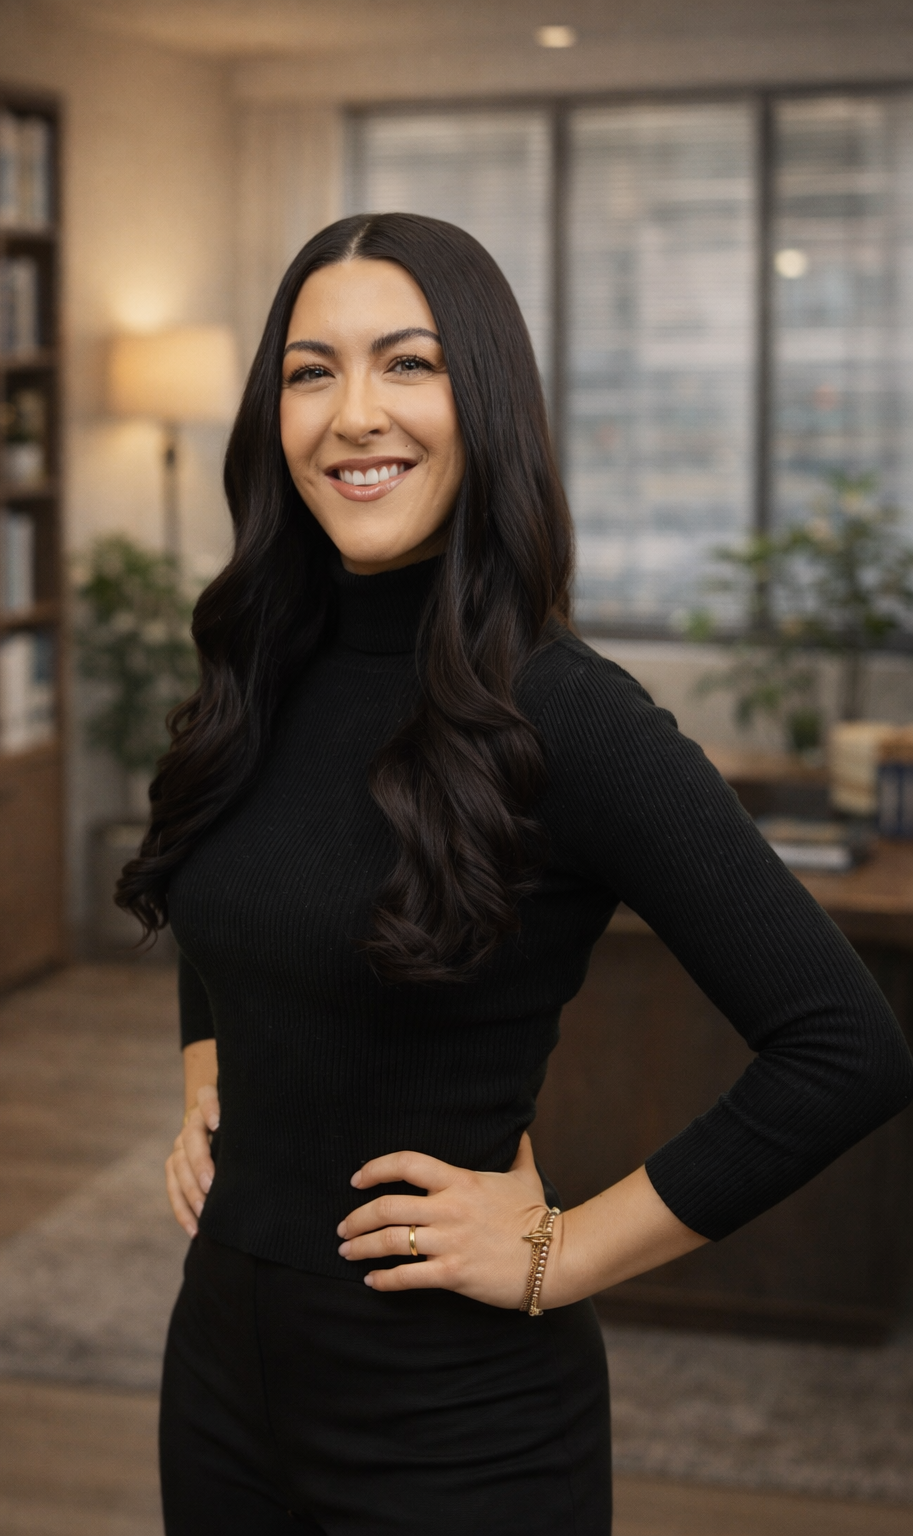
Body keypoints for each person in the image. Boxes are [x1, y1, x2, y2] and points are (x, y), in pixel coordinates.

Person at [117, 213, 913, 1536]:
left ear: (482, 396)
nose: (353, 414)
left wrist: (564, 1252)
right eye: (310, 373)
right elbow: (234, 892)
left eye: (407, 363)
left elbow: (846, 1049)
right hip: (217, 1379)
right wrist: (210, 1067)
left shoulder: (570, 714)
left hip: (455, 1429)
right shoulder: (254, 671)